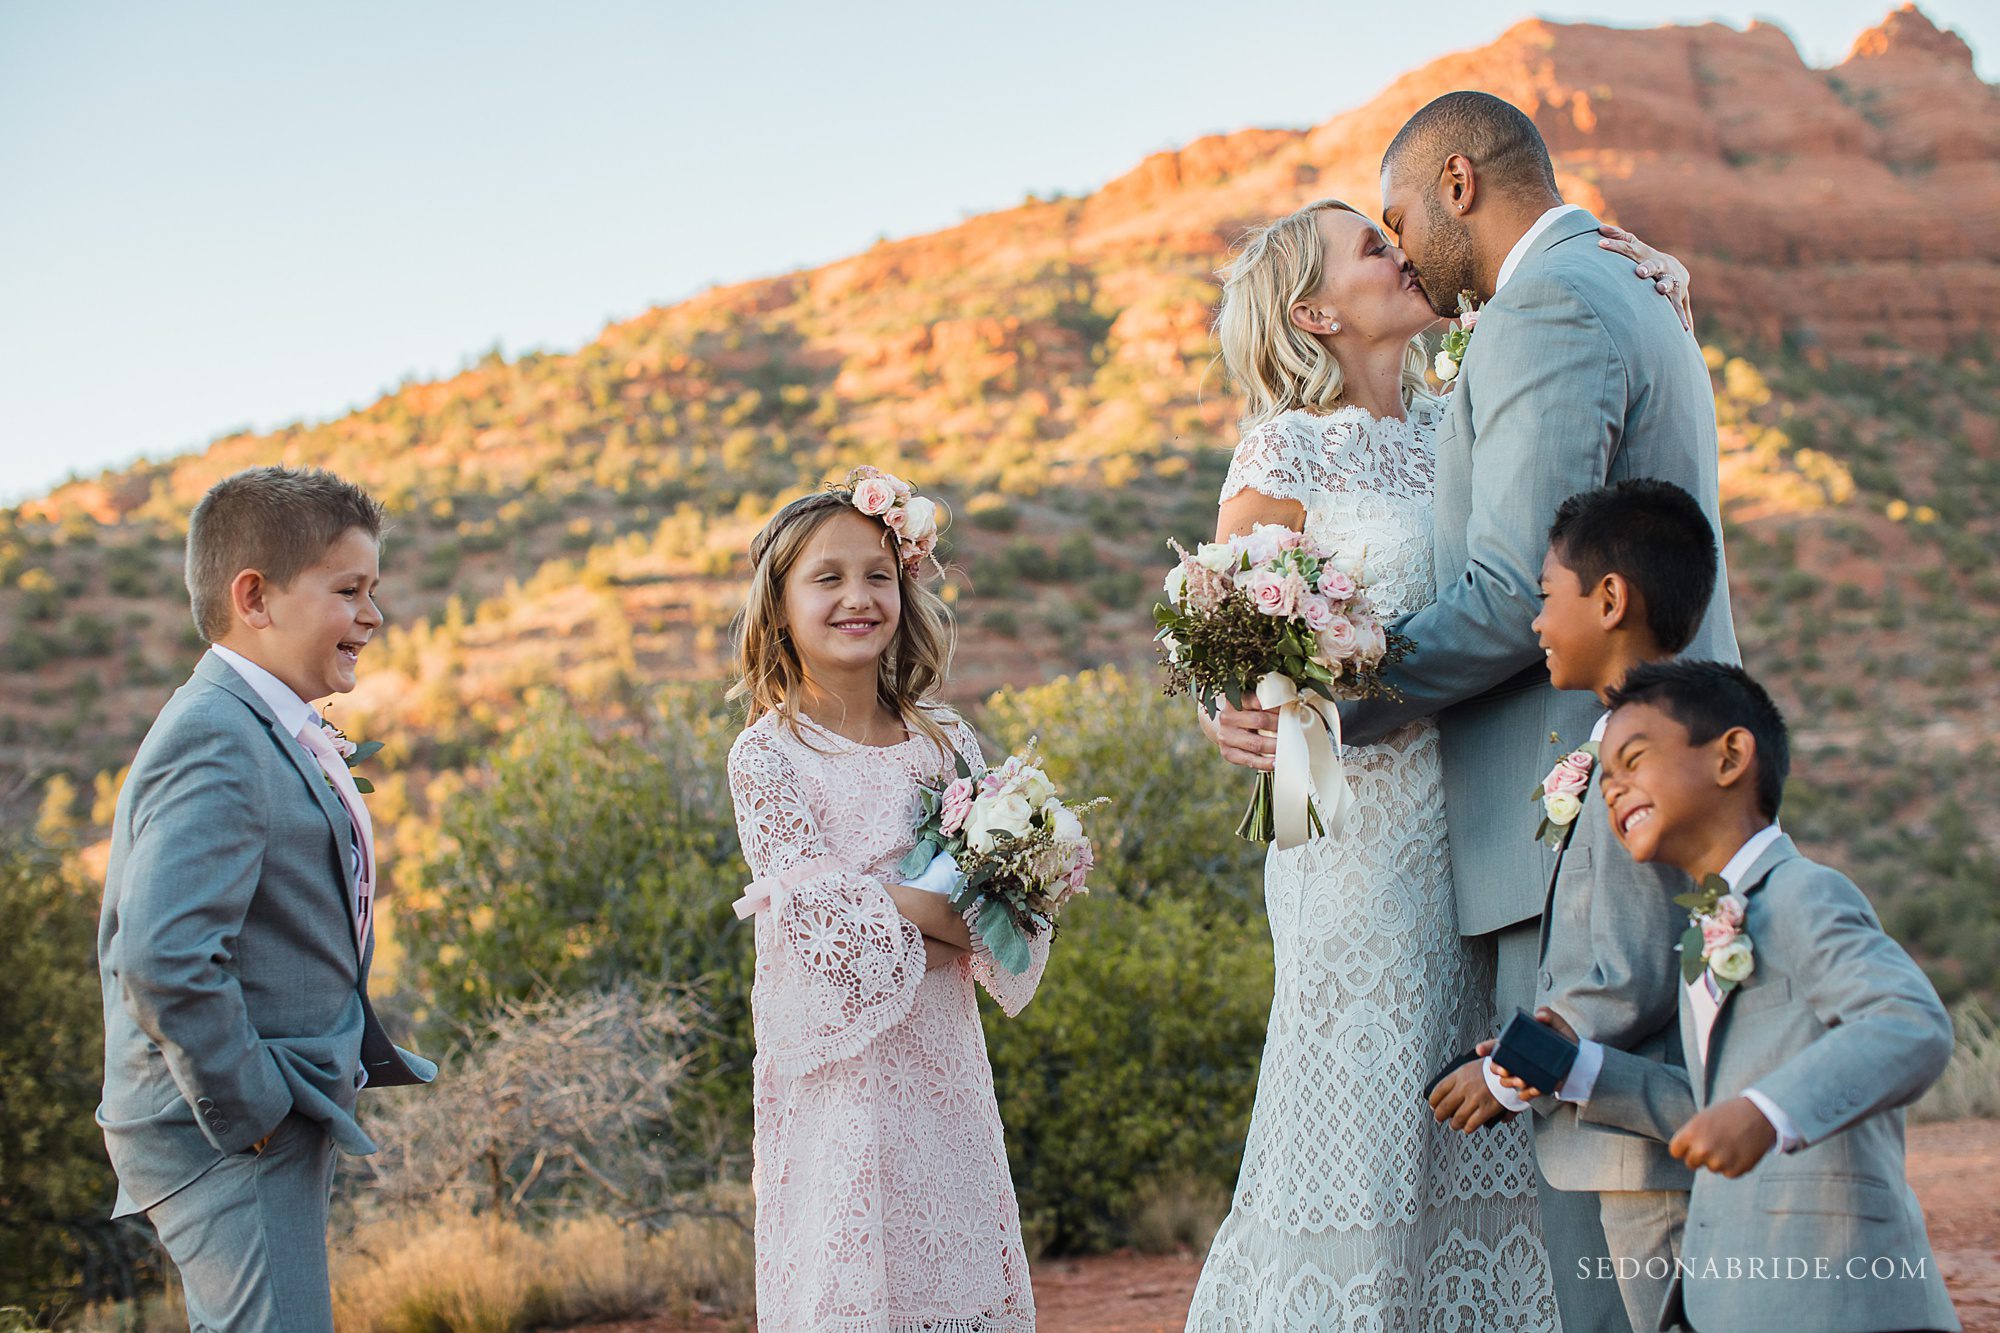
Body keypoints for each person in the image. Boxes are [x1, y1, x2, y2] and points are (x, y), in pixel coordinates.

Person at [1207, 91, 1739, 1330]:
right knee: (1381, 1123)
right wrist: (1247, 722)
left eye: (1394, 223)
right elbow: (1236, 659)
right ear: (1312, 312)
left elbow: (1518, 564)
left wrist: (1639, 269)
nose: (1397, 250)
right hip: (1357, 837)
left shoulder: (1472, 380)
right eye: (1369, 242)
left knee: (1506, 1144)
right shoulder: (1286, 453)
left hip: (1487, 826)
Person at [1498, 661, 1960, 1333]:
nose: (1613, 786)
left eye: (1632, 759)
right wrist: (1575, 1068)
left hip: (1843, 1296)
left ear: (1731, 757)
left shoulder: (1803, 892)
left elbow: (1911, 1024)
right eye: (1606, 777)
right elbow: (1711, 1108)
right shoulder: (1707, 924)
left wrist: (1767, 1110)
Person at [96, 465, 434, 1332]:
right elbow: (163, 954)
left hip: (268, 1110)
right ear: (256, 596)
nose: (373, 614)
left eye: (375, 589)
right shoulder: (217, 734)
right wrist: (251, 1108)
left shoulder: (259, 721)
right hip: (230, 1127)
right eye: (349, 589)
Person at [725, 469, 1040, 1331]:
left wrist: (887, 907)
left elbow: (996, 910)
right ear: (780, 604)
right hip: (836, 1076)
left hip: (940, 1064)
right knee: (850, 1273)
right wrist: (932, 917)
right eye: (827, 578)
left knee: (953, 1265)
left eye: (877, 574)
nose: (857, 597)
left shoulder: (944, 741)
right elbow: (825, 933)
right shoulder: (769, 756)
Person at [1432, 479, 1717, 1331]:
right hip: (1629, 1146)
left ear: (1611, 599)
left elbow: (1627, 974)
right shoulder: (1647, 732)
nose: (1534, 623)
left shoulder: (1643, 754)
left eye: (1546, 598)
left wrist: (1511, 1071)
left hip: (1645, 1150)